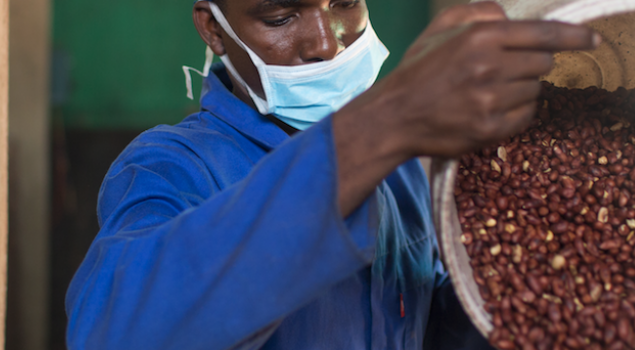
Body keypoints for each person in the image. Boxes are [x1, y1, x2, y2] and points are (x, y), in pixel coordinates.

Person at [64, 0, 598, 348]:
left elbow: (431, 326)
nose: (325, 41)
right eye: (280, 17)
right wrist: (381, 124)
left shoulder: (407, 170)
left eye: (344, 3)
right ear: (214, 29)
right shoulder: (174, 166)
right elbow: (115, 331)